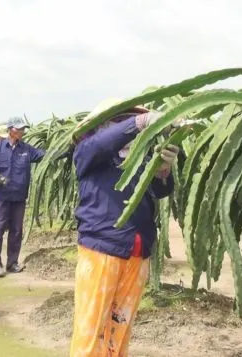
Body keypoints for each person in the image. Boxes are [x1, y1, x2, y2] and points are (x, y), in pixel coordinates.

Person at [69, 98, 179, 356]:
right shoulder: (88, 153)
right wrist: (138, 122)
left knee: (121, 327)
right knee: (91, 327)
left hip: (137, 252)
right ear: (103, 126)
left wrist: (163, 171)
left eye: (132, 120)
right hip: (102, 251)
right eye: (121, 121)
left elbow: (160, 191)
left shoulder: (140, 159)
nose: (130, 129)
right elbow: (101, 144)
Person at [0, 117, 45, 278]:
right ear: (11, 130)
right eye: (20, 129)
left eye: (24, 129)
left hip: (18, 196)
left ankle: (12, 263)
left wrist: (64, 149)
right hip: (1, 196)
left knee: (16, 231)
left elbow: (43, 155)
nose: (23, 131)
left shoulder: (26, 149)